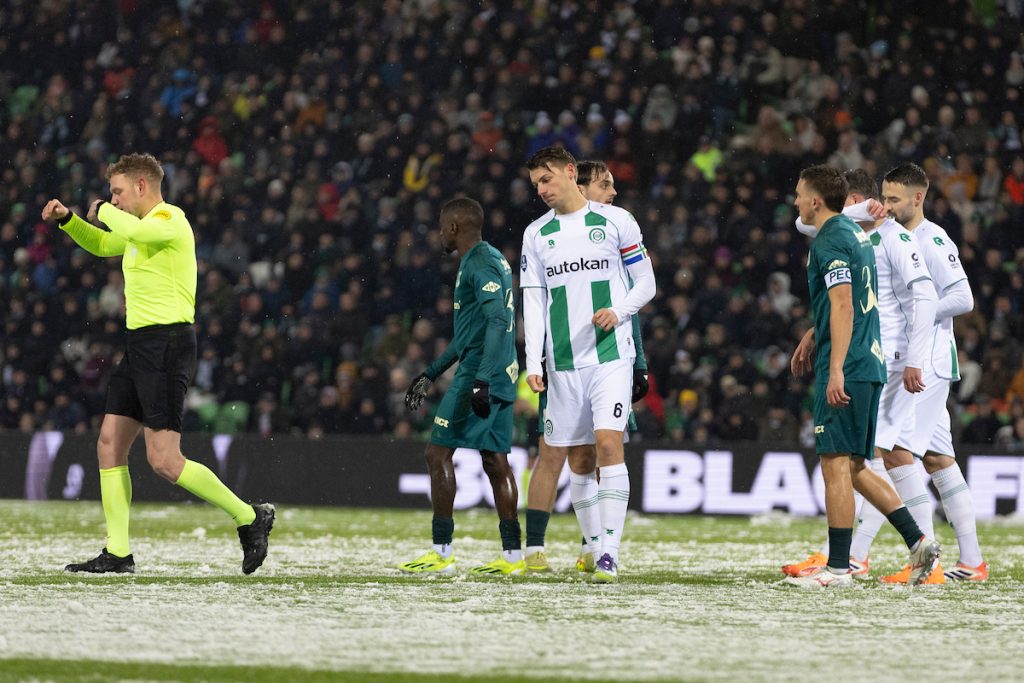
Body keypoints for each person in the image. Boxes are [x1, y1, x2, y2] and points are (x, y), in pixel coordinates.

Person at [41, 153, 274, 574]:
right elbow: (103, 244)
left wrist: (104, 210)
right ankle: (118, 552)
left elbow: (128, 230)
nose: (114, 199)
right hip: (140, 345)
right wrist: (69, 221)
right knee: (109, 444)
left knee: (164, 461)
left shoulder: (170, 220)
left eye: (118, 191)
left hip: (168, 345)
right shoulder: (138, 230)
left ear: (141, 186)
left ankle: (249, 516)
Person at [784, 169, 944, 582]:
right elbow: (850, 299)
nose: (795, 202)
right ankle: (919, 541)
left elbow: (843, 306)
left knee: (835, 465)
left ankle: (839, 567)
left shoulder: (832, 239)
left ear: (816, 200)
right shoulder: (856, 234)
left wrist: (835, 368)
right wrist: (815, 331)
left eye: (800, 194)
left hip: (849, 364)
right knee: (856, 467)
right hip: (870, 361)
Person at [521, 146, 656, 583]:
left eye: (546, 179)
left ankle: (609, 555)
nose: (541, 190)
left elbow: (647, 283)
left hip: (612, 355)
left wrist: (618, 311)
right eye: (536, 184)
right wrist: (533, 360)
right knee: (578, 460)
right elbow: (534, 301)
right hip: (562, 364)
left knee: (608, 445)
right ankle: (593, 548)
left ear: (569, 171)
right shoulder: (536, 234)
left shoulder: (617, 221)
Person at [399, 197, 524, 575]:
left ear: (454, 227)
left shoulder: (479, 262)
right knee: (495, 460)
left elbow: (497, 320)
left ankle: (441, 552)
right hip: (504, 370)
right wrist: (431, 373)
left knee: (437, 454)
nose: (439, 234)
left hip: (480, 373)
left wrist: (480, 379)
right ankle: (513, 557)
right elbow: (469, 334)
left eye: (442, 227)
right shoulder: (492, 258)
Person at [876, 163, 986, 581]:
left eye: (894, 199)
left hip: (929, 363)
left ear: (917, 198)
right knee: (939, 459)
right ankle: (972, 562)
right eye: (883, 197)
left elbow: (963, 297)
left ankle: (925, 562)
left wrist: (919, 312)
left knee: (893, 451)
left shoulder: (932, 238)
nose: (886, 205)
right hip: (917, 361)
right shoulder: (894, 237)